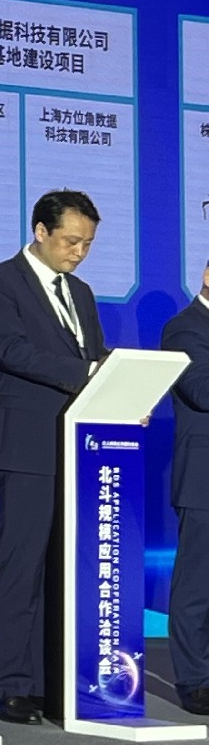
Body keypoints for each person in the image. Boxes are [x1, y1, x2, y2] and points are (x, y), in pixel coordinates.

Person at [0, 189, 105, 726]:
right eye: (71, 241)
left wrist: (119, 387)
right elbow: (11, 350)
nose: (79, 252)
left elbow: (94, 355)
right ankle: (11, 686)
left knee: (64, 569)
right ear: (41, 231)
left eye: (88, 244)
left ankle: (53, 682)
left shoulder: (82, 292)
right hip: (26, 443)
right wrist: (91, 375)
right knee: (21, 567)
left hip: (77, 445)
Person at [162, 263, 209, 716]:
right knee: (198, 584)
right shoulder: (185, 328)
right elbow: (200, 389)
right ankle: (195, 679)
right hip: (203, 476)